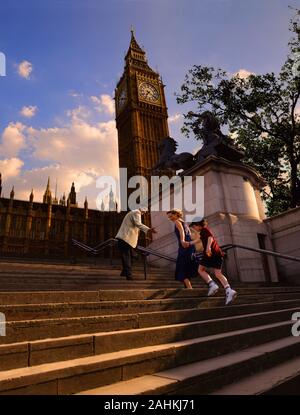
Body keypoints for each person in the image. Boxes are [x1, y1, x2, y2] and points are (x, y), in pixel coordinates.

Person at [190, 218, 237, 305]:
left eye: (194, 227)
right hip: (217, 253)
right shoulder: (202, 232)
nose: (194, 229)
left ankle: (212, 284)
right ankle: (229, 290)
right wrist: (189, 243)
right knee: (218, 274)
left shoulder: (205, 230)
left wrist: (208, 248)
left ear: (197, 225)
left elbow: (210, 237)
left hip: (210, 253)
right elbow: (199, 239)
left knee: (200, 270)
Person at [115, 207, 157, 280]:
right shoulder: (136, 212)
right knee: (127, 257)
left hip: (125, 239)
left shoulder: (132, 212)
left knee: (130, 256)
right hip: (126, 239)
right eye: (144, 211)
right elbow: (138, 224)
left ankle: (124, 272)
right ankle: (129, 275)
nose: (144, 213)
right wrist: (148, 229)